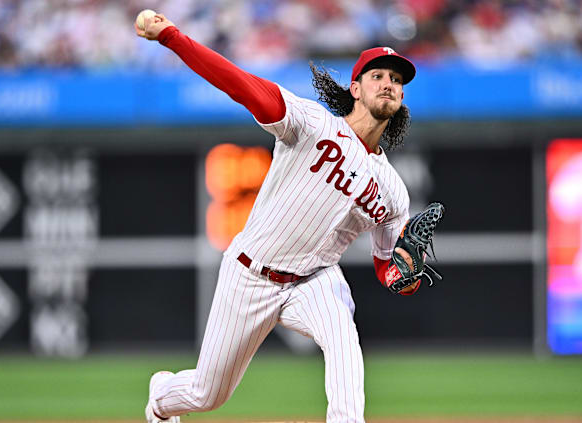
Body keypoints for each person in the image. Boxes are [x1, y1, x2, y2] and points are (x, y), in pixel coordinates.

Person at [136, 12, 423, 423]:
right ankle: (162, 398)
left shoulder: (394, 191)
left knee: (343, 337)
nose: (389, 84)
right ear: (356, 88)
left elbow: (386, 266)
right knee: (207, 394)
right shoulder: (310, 124)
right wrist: (172, 37)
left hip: (314, 279)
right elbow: (238, 83)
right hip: (250, 273)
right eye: (379, 75)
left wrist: (406, 275)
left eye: (397, 80)